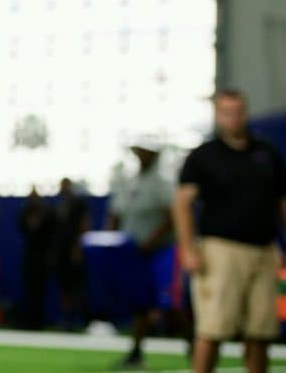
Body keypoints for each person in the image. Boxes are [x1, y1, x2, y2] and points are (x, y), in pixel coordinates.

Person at [173, 90, 286, 373]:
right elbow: (182, 204)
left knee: (261, 332)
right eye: (226, 112)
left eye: (238, 111)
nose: (233, 118)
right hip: (220, 251)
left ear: (246, 112)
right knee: (212, 330)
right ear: (217, 115)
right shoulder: (204, 155)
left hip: (264, 250)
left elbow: (281, 203)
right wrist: (189, 249)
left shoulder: (266, 153)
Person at [107, 136, 177, 369]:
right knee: (141, 303)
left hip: (161, 252)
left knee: (171, 304)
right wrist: (113, 242)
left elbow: (172, 217)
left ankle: (195, 347)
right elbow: (116, 214)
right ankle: (136, 352)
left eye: (146, 152)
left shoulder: (162, 182)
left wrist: (150, 242)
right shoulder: (131, 181)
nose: (142, 156)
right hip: (135, 253)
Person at [51, 177, 90, 330]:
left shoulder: (78, 204)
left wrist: (78, 247)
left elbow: (85, 224)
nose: (63, 188)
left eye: (65, 186)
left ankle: (85, 320)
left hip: (75, 252)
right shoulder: (60, 205)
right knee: (65, 288)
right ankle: (67, 320)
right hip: (61, 254)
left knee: (78, 288)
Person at [18, 186, 54, 330]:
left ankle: (39, 322)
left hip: (42, 258)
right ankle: (29, 321)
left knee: (40, 291)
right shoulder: (25, 213)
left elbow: (51, 234)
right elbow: (22, 227)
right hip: (30, 258)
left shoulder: (47, 214)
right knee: (29, 290)